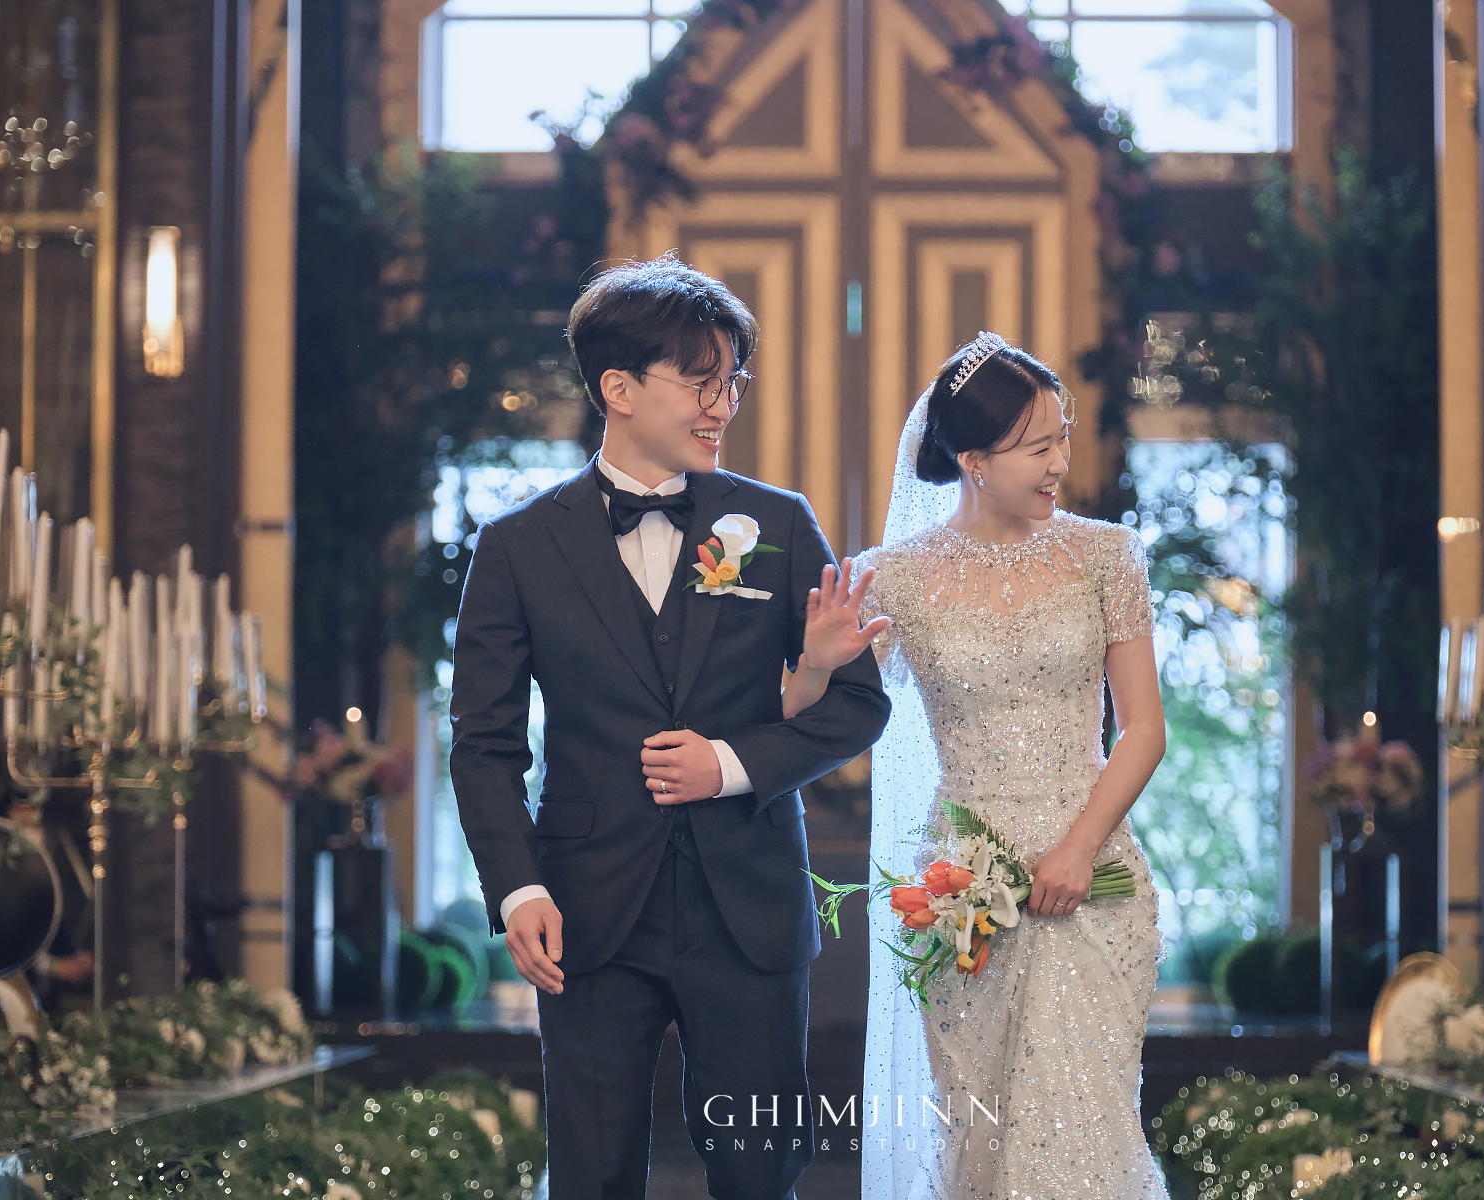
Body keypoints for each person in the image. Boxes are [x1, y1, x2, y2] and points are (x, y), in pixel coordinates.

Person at [448, 254, 890, 1200]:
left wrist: (730, 762)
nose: (722, 406)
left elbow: (859, 704)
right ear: (618, 388)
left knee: (760, 1172)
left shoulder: (777, 524)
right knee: (592, 1175)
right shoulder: (517, 546)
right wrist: (518, 889)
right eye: (701, 383)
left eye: (732, 382)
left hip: (750, 911)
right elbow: (483, 745)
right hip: (585, 915)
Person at [792, 332, 1171, 1199]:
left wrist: (1078, 850)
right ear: (973, 460)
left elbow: (1144, 730)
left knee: (1083, 1130)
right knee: (982, 1140)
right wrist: (813, 663)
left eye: (1063, 438)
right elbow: (803, 719)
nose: (1060, 463)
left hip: (1095, 881)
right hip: (961, 894)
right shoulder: (893, 579)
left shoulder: (1107, 555)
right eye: (1037, 447)